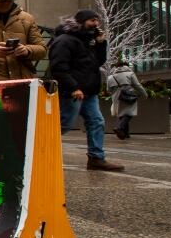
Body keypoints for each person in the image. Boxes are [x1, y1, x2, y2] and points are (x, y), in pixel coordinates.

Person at [49, 10, 123, 171]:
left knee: (96, 122)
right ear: (80, 22)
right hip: (72, 93)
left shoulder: (87, 41)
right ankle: (35, 152)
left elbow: (97, 62)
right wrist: (73, 87)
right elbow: (59, 67)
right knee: (63, 125)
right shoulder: (65, 40)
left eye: (97, 20)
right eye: (92, 20)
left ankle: (96, 158)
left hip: (88, 92)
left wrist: (101, 43)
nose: (96, 23)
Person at [107, 60, 147, 140]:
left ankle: (125, 133)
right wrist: (144, 94)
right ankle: (120, 128)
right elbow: (137, 85)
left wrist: (115, 93)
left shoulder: (110, 77)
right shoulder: (130, 74)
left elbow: (108, 90)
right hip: (128, 94)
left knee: (122, 113)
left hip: (116, 96)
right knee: (129, 113)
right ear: (127, 66)